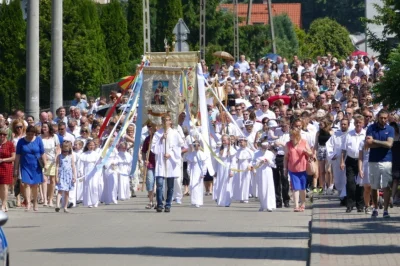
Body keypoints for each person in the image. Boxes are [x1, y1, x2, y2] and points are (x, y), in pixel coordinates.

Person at [151, 115, 184, 213]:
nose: (166, 122)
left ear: (170, 122)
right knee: (159, 184)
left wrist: (171, 154)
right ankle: (160, 204)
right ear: (162, 121)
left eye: (168, 120)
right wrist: (161, 139)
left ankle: (168, 204)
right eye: (164, 120)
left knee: (170, 186)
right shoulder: (158, 133)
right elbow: (153, 148)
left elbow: (180, 145)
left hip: (170, 161)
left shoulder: (175, 133)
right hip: (161, 161)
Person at [365, 110, 394, 218]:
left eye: (385, 118)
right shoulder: (371, 128)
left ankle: (385, 210)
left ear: (388, 118)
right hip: (374, 160)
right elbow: (368, 144)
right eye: (381, 118)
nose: (383, 120)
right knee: (374, 186)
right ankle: (375, 208)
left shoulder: (390, 129)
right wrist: (383, 144)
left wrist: (375, 141)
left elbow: (389, 144)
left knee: (386, 186)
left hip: (386, 161)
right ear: (377, 117)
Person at [14, 125, 47, 211]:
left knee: (35, 185)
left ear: (35, 133)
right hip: (25, 165)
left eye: (32, 134)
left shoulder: (38, 140)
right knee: (26, 184)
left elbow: (42, 153)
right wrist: (16, 168)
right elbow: (17, 155)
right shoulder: (21, 141)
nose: (30, 136)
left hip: (36, 166)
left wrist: (45, 164)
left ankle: (35, 202)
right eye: (28, 134)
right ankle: (28, 203)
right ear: (26, 133)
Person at [341, 115, 366, 213]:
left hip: (362, 161)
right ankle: (350, 204)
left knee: (360, 184)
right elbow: (344, 150)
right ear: (354, 123)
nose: (358, 124)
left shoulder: (366, 134)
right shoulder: (349, 134)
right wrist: (342, 161)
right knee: (350, 183)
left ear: (363, 123)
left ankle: (360, 205)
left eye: (360, 122)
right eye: (356, 122)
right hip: (351, 160)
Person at [284, 129, 313, 212]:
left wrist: (306, 151)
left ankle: (303, 203)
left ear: (297, 135)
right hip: (292, 169)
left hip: (303, 168)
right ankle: (296, 205)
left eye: (291, 135)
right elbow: (286, 157)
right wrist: (285, 169)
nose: (290, 137)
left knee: (302, 188)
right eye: (289, 135)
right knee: (295, 188)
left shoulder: (304, 142)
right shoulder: (288, 144)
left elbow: (311, 153)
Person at [326, 118, 349, 204]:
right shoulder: (335, 135)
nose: (343, 126)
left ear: (348, 125)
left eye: (345, 124)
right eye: (342, 124)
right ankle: (341, 197)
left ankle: (347, 197)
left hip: (348, 160)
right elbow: (329, 145)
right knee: (339, 180)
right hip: (337, 161)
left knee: (347, 179)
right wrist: (332, 155)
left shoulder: (350, 134)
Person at [40, 122, 60, 207]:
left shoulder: (54, 137)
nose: (44, 128)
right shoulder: (39, 137)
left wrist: (56, 157)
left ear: (49, 128)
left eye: (45, 127)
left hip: (53, 160)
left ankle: (50, 199)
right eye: (43, 127)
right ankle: (44, 199)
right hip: (43, 160)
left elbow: (58, 148)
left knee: (52, 180)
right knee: (44, 179)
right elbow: (39, 150)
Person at [253, 141, 276, 212]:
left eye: (266, 147)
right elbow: (254, 164)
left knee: (269, 188)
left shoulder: (271, 154)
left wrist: (268, 161)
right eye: (263, 147)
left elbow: (274, 165)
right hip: (260, 172)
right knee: (261, 188)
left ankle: (269, 206)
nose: (264, 148)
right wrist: (260, 162)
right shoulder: (256, 153)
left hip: (268, 172)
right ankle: (262, 205)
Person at [78, 140, 102, 208]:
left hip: (94, 172)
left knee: (94, 186)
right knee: (87, 187)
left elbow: (99, 164)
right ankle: (89, 202)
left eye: (93, 145)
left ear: (95, 146)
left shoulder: (96, 154)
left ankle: (95, 201)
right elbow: (81, 165)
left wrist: (100, 160)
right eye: (90, 145)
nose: (91, 147)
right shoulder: (83, 155)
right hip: (86, 171)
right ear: (87, 146)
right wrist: (81, 172)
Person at [215, 134, 237, 207]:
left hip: (228, 168)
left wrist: (232, 171)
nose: (223, 142)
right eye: (222, 140)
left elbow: (233, 161)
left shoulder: (232, 150)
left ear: (228, 140)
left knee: (227, 184)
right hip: (220, 168)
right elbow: (216, 159)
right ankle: (220, 201)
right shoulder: (219, 149)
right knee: (220, 184)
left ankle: (227, 201)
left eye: (225, 140)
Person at [55, 142, 76, 213]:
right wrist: (56, 176)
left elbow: (73, 166)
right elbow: (57, 166)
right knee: (60, 191)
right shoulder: (59, 156)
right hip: (62, 175)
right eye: (63, 151)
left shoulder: (71, 156)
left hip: (68, 175)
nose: (65, 153)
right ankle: (57, 205)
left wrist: (74, 176)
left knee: (67, 192)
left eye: (66, 151)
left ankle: (65, 207)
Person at [186, 140, 208, 208]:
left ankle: (198, 201)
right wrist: (189, 172)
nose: (196, 147)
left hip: (199, 171)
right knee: (193, 185)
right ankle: (194, 201)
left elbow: (204, 165)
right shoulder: (191, 154)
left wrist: (203, 173)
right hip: (193, 171)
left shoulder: (202, 154)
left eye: (198, 145)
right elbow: (189, 165)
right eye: (195, 145)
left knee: (199, 186)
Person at [232, 137, 253, 203]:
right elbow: (235, 159)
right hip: (239, 166)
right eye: (240, 142)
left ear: (245, 142)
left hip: (246, 166)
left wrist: (250, 165)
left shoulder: (249, 151)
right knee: (239, 181)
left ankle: (245, 197)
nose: (241, 143)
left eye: (242, 142)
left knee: (246, 181)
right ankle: (240, 197)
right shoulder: (238, 151)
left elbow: (252, 159)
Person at [0, 128, 15, 212]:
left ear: (7, 135)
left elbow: (13, 157)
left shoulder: (10, 144)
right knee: (0, 187)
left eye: (4, 134)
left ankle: (3, 204)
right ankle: (4, 204)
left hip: (6, 166)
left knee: (5, 186)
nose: (2, 136)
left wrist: (3, 160)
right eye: (0, 134)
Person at [142, 123, 156, 209]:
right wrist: (145, 160)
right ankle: (150, 201)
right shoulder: (147, 139)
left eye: (151, 127)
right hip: (150, 163)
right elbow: (143, 151)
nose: (150, 129)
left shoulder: (159, 138)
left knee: (158, 183)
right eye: (149, 127)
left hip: (159, 163)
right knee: (150, 181)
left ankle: (158, 201)